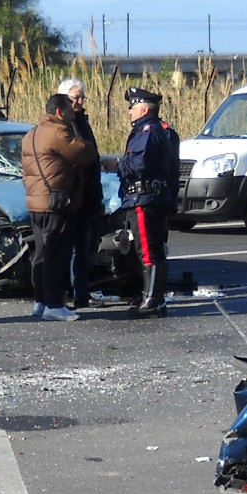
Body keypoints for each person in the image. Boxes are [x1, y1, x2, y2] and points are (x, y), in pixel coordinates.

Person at [21, 92, 95, 321]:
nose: (74, 115)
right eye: (71, 111)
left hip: (36, 201)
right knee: (56, 254)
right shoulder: (58, 131)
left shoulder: (31, 134)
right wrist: (87, 141)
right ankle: (54, 303)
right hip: (56, 201)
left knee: (42, 253)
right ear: (60, 112)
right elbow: (83, 154)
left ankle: (41, 301)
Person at [117, 86, 180, 317]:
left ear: (144, 108)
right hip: (147, 197)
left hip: (145, 197)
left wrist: (118, 165)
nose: (129, 111)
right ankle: (155, 297)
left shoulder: (148, 131)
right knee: (152, 249)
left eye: (132, 107)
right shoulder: (150, 130)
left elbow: (140, 165)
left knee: (147, 250)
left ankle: (152, 299)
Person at [56, 77, 102, 308]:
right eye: (77, 98)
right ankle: (72, 293)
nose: (81, 102)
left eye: (82, 97)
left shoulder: (82, 121)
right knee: (71, 248)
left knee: (84, 247)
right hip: (73, 194)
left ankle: (81, 292)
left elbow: (92, 157)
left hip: (87, 193)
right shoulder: (63, 125)